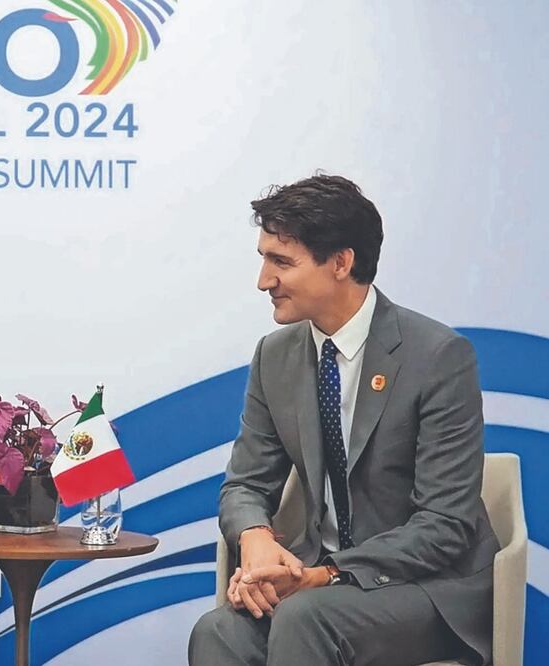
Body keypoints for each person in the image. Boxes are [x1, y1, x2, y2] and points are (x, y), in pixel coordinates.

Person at [188, 175, 499, 665]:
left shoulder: (438, 356)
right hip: (319, 586)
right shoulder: (276, 355)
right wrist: (257, 539)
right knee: (219, 631)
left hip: (426, 590)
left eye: (281, 262)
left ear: (341, 262)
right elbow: (245, 485)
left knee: (306, 617)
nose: (263, 280)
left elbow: (445, 525)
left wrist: (327, 573)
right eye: (264, 258)